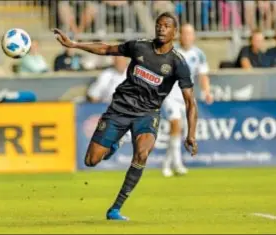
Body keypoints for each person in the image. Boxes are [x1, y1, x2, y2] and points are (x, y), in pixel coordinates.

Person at [54, 11, 198, 221]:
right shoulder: (139, 46)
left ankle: (115, 208)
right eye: (159, 25)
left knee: (142, 154)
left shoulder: (178, 64)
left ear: (174, 32)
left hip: (147, 114)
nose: (161, 28)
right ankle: (113, 144)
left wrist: (191, 134)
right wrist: (74, 45)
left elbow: (190, 102)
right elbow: (106, 49)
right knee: (91, 160)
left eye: (166, 26)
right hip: (120, 108)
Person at [162, 23, 213, 177]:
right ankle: (177, 164)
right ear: (180, 35)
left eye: (190, 34)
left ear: (194, 36)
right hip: (171, 95)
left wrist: (207, 91)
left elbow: (202, 75)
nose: (187, 37)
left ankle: (166, 163)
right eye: (184, 34)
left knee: (179, 130)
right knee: (175, 124)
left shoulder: (199, 54)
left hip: (186, 97)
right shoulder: (172, 52)